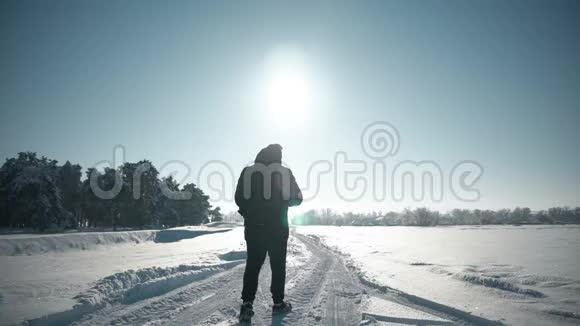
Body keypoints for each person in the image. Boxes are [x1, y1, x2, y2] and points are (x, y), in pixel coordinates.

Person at [235, 144, 303, 321]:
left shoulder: (248, 171)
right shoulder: (284, 172)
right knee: (278, 266)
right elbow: (298, 198)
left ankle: (247, 304)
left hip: (253, 227)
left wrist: (248, 211)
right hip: (277, 228)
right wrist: (282, 201)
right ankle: (278, 304)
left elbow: (239, 198)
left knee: (253, 265)